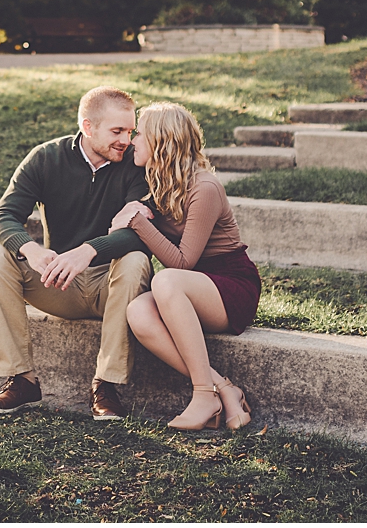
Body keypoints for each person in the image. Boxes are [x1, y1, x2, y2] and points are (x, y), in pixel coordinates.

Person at [0, 86, 151, 421]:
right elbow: (2, 218)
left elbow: (142, 236)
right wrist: (31, 249)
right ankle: (21, 379)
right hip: (59, 283)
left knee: (136, 261)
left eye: (130, 131)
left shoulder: (136, 163)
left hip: (111, 284)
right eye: (117, 131)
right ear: (88, 127)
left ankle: (106, 384)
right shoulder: (46, 158)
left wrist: (89, 250)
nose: (126, 140)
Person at [111, 101, 262, 431]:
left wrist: (138, 221)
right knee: (138, 311)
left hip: (231, 287)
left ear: (162, 142)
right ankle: (224, 388)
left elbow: (183, 261)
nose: (133, 141)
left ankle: (203, 394)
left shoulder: (204, 187)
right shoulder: (162, 184)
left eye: (140, 134)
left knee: (165, 281)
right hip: (194, 288)